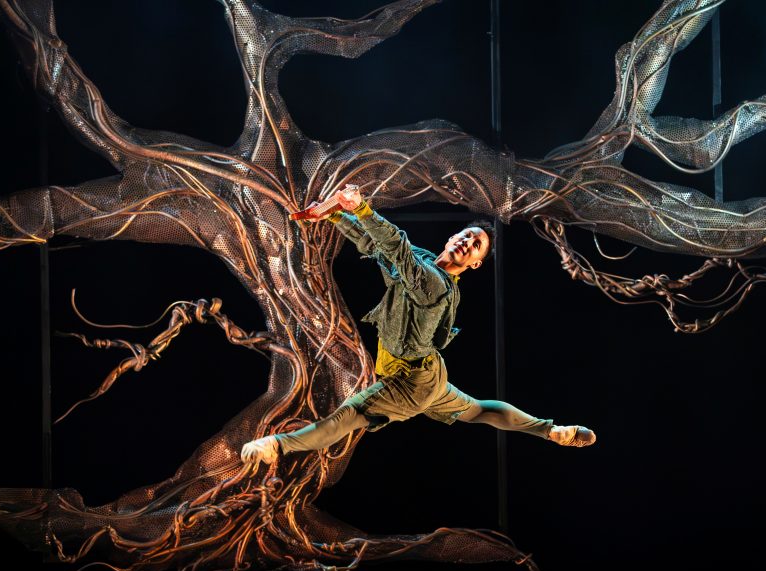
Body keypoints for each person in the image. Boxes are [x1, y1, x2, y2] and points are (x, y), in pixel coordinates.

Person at [241, 185, 595, 467]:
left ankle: (275, 447)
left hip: (410, 382)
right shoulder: (425, 262)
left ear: (474, 264)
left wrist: (361, 210)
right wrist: (333, 218)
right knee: (478, 410)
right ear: (450, 239)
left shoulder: (435, 284)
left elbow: (396, 247)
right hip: (429, 375)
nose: (466, 243)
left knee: (348, 417)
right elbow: (378, 247)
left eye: (475, 246)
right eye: (466, 236)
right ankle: (554, 431)